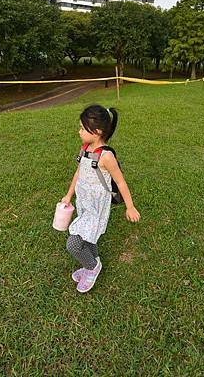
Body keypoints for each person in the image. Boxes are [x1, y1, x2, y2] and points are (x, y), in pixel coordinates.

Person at [61, 104, 140, 293]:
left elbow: (120, 182)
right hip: (84, 202)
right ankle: (93, 261)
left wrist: (130, 207)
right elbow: (78, 173)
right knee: (88, 238)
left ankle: (92, 268)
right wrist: (69, 194)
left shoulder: (106, 156)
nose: (79, 131)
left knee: (73, 243)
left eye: (82, 128)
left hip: (97, 206)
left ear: (96, 132)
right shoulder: (85, 149)